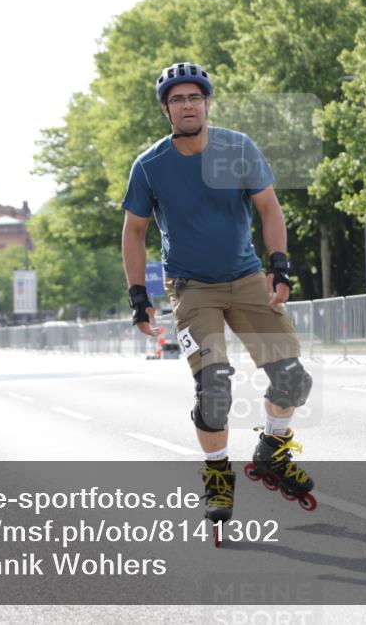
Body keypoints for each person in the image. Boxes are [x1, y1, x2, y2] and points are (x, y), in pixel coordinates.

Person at [121, 61, 317, 535]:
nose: (187, 106)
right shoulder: (150, 165)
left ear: (207, 102)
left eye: (194, 97)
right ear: (165, 109)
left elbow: (269, 207)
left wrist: (279, 264)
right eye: (177, 99)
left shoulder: (238, 148)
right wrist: (139, 298)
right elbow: (134, 231)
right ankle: (216, 475)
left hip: (247, 277)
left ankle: (272, 451)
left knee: (292, 379)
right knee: (214, 388)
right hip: (191, 287)